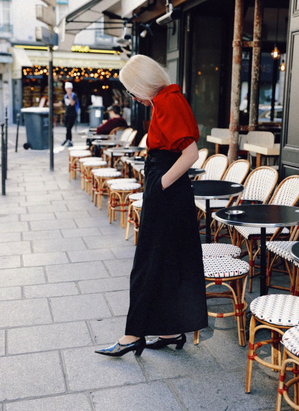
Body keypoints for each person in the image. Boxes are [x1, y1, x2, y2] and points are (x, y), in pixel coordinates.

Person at [95, 54, 207, 358]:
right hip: (167, 191)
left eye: (132, 90)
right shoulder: (165, 99)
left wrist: (160, 185)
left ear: (142, 84)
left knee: (148, 263)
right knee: (163, 261)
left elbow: (191, 153)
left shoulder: (168, 100)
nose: (131, 96)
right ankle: (170, 331)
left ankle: (132, 335)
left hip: (167, 193)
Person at [54, 82, 78, 147]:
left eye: (69, 89)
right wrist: (52, 104)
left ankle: (70, 140)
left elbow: (72, 103)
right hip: (67, 113)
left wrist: (70, 96)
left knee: (69, 127)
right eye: (67, 89)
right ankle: (67, 139)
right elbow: (60, 104)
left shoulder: (74, 95)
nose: (68, 90)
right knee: (67, 127)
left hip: (73, 114)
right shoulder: (65, 96)